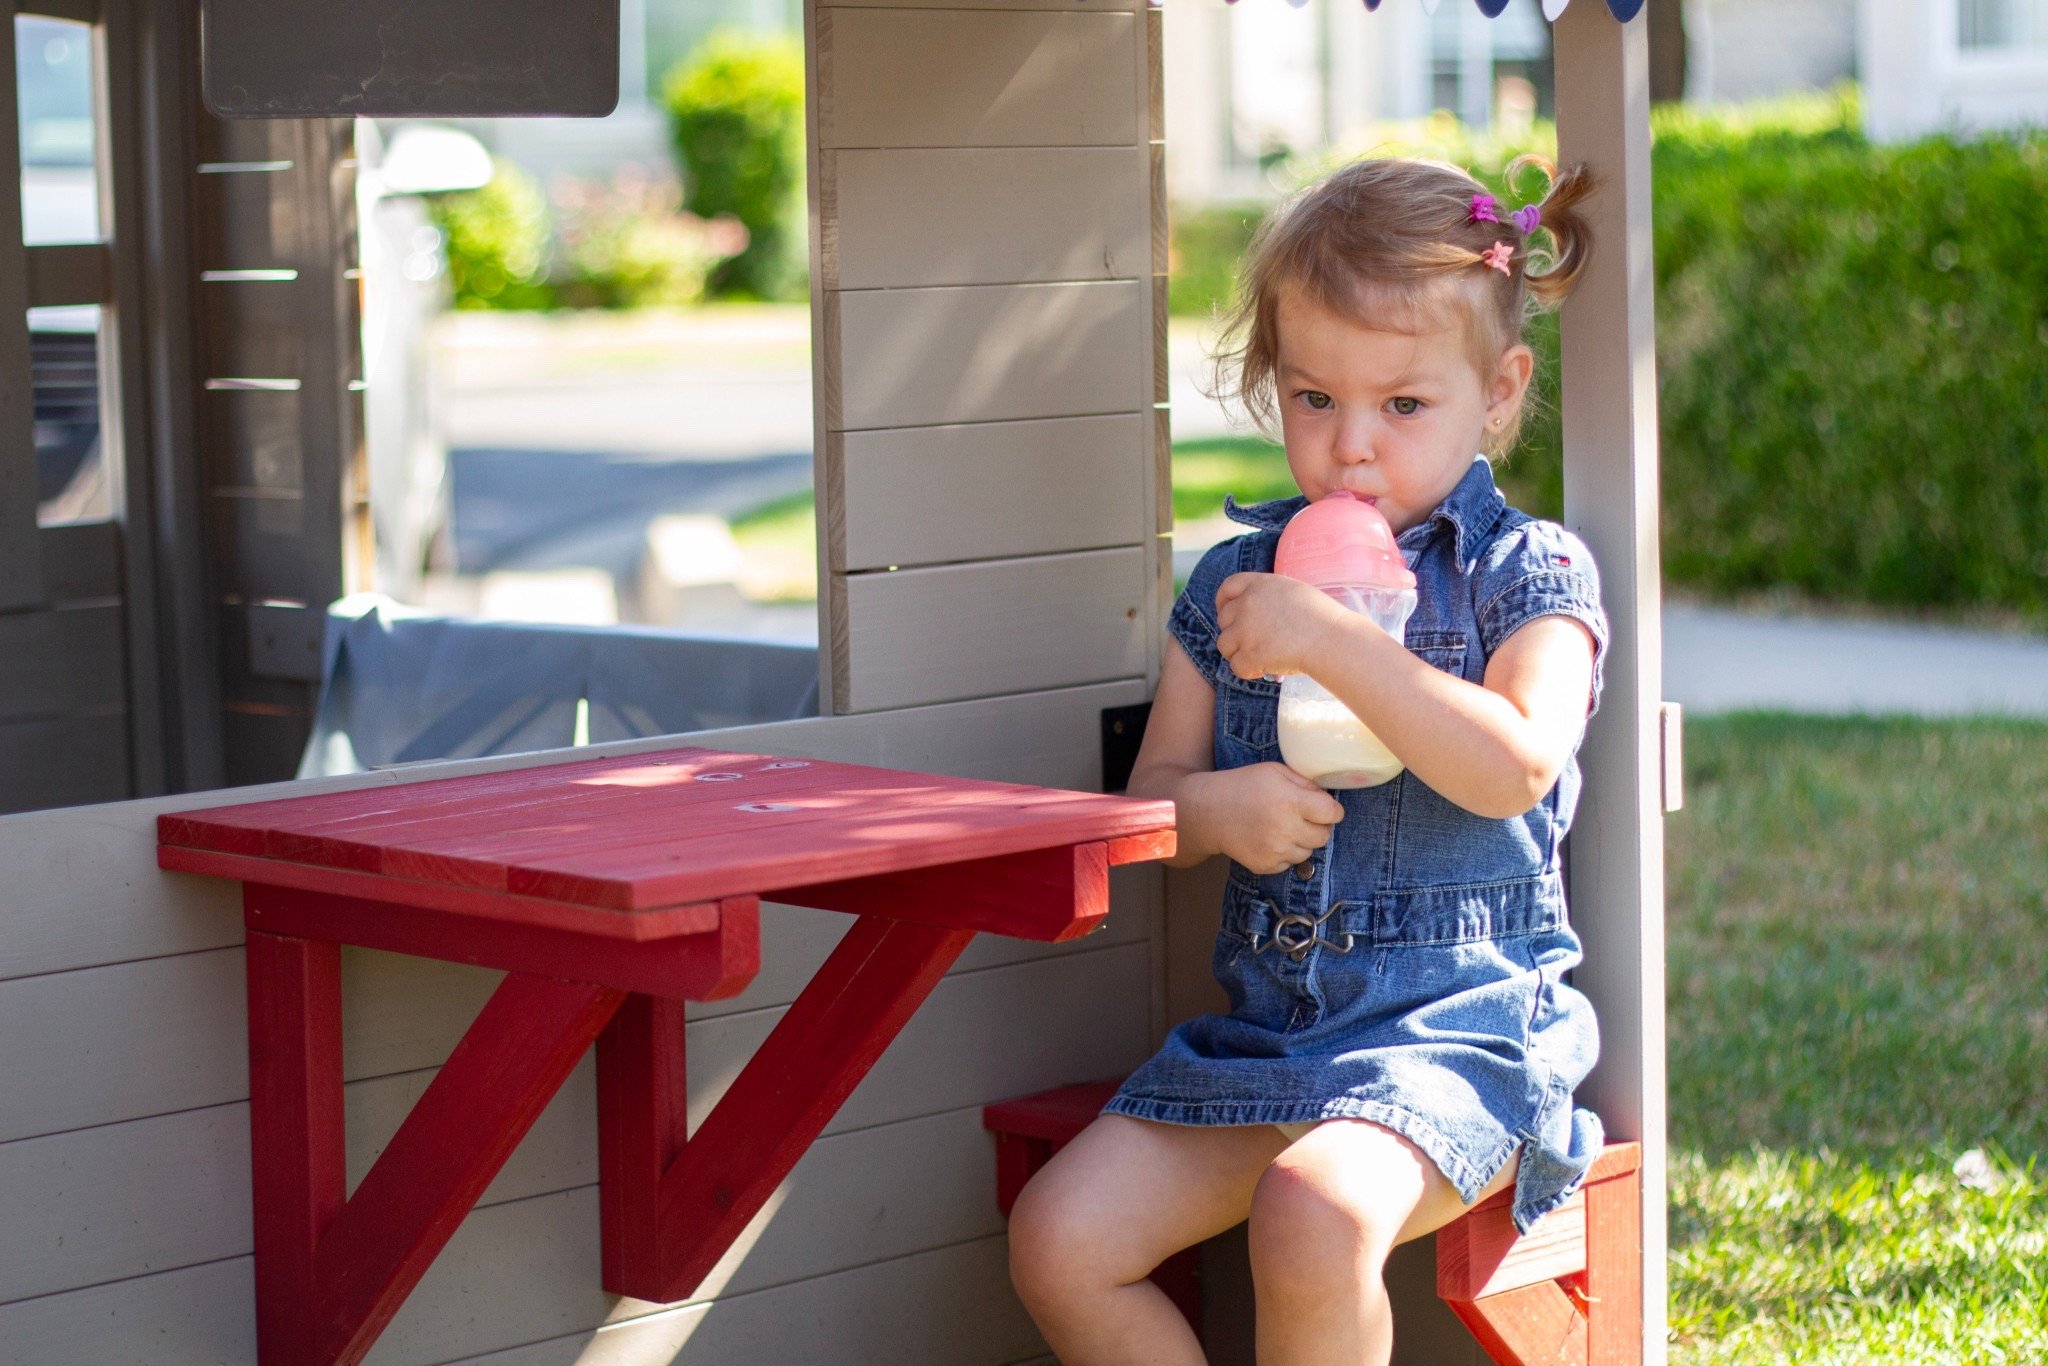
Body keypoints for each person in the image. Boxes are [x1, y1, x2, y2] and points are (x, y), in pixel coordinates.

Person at [1006, 156, 1609, 1366]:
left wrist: (1332, 635)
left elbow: (1513, 767)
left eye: (1402, 407)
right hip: (1274, 1040)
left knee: (1312, 1210)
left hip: (1462, 1038)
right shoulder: (1232, 585)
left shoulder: (1524, 572)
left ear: (1497, 393)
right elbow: (1151, 803)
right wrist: (1216, 809)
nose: (1348, 451)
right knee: (1057, 1237)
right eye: (1312, 398)